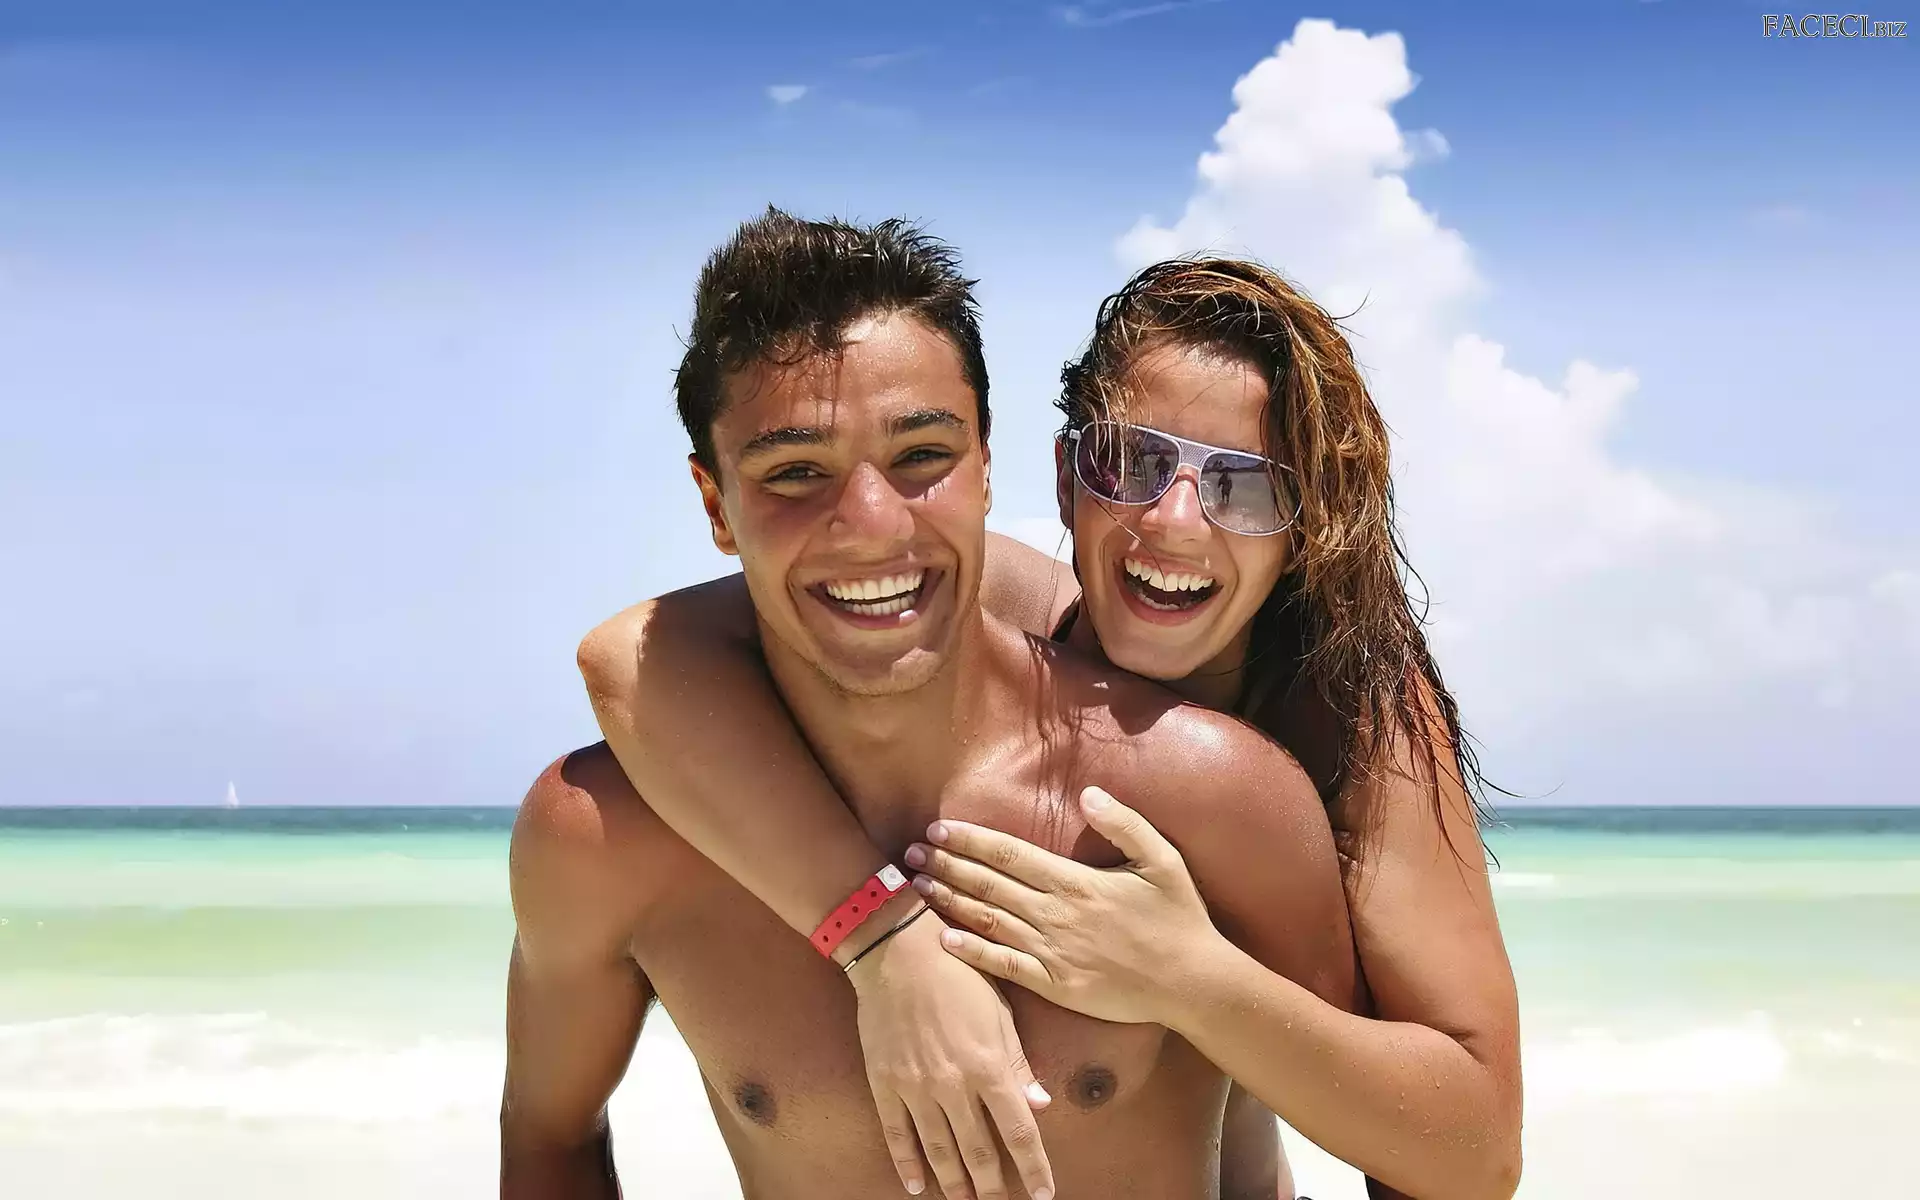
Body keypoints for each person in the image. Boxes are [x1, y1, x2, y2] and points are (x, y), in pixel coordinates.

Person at [579, 250, 1526, 1199]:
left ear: (1306, 523)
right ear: (1068, 476)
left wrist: (1183, 974)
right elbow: (627, 660)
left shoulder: (1354, 716)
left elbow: (1473, 1151)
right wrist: (885, 939)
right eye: (1131, 462)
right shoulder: (979, 596)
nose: (1175, 522)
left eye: (1246, 488)